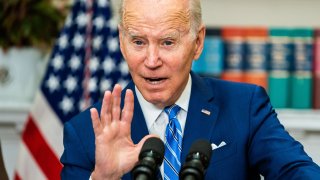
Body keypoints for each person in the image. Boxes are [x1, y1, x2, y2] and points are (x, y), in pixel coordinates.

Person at [60, 0, 320, 179]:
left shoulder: (245, 107)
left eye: (168, 42)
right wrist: (104, 179)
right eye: (138, 42)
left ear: (197, 42)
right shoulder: (85, 133)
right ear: (121, 41)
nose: (151, 61)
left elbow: (295, 171)